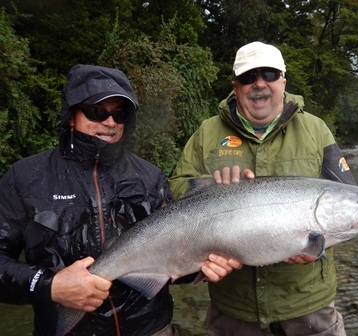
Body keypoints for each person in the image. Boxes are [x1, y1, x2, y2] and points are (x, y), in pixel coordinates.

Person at [0, 64, 241, 336]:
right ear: (71, 115)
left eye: (119, 114)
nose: (110, 122)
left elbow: (171, 266)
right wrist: (49, 285)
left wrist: (205, 265)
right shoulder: (25, 176)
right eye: (96, 112)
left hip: (152, 329)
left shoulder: (150, 178)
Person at [168, 41, 357, 336]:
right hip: (233, 307)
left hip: (307, 303)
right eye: (248, 77)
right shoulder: (207, 132)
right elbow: (177, 188)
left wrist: (317, 247)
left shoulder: (316, 130)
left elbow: (345, 200)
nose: (259, 84)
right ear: (235, 85)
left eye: (269, 74)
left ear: (283, 80)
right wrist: (212, 191)